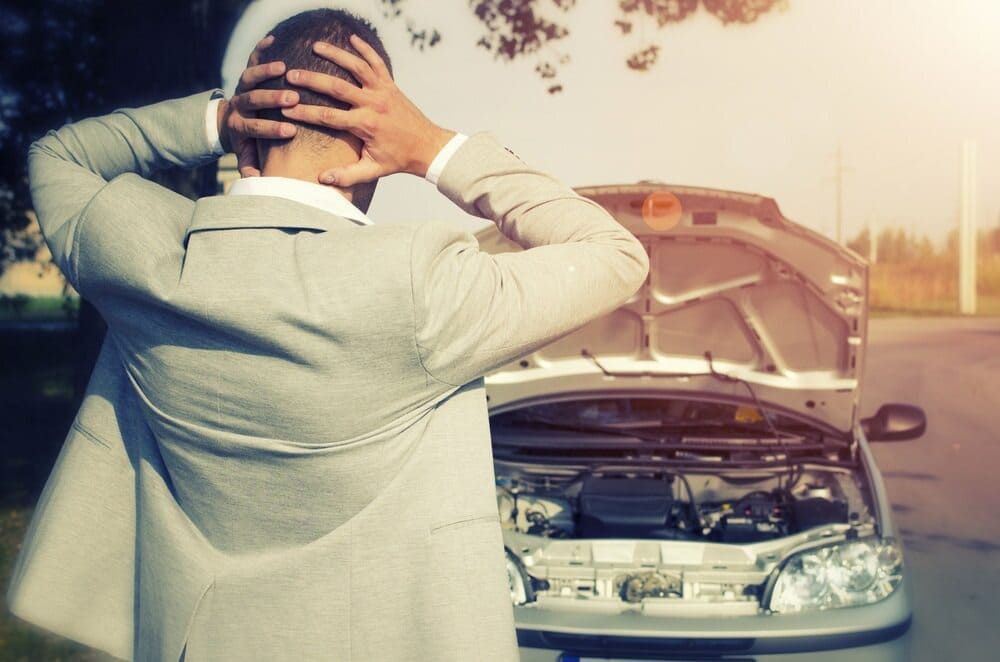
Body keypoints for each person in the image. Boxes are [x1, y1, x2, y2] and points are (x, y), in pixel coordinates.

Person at [5, 8, 649, 661]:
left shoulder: (139, 258)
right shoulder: (420, 288)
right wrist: (431, 146)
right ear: (374, 142)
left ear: (250, 133)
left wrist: (216, 121)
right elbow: (614, 255)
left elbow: (59, 153)